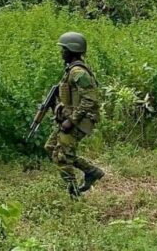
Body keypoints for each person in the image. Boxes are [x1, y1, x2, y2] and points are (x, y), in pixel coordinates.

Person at [45, 32, 105, 197]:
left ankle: (74, 195)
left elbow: (90, 100)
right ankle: (91, 171)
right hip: (72, 118)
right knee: (51, 147)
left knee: (62, 157)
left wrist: (71, 121)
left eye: (64, 49)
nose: (61, 53)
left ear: (71, 50)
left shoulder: (78, 72)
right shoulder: (70, 70)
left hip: (80, 120)